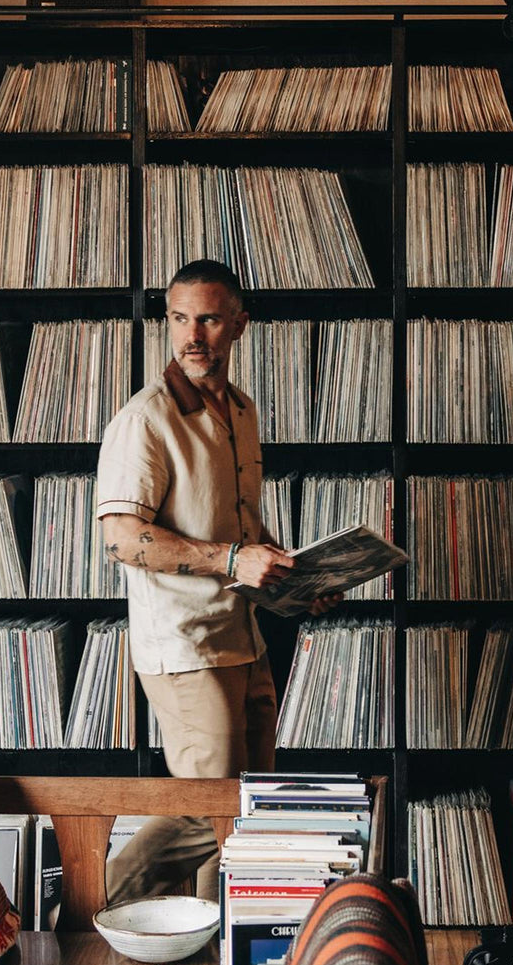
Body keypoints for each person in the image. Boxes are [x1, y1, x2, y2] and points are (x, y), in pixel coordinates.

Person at [97, 259, 335, 903]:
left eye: (206, 318)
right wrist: (233, 561)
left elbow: (240, 536)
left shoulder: (241, 410)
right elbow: (121, 537)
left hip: (243, 632)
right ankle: (93, 907)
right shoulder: (145, 419)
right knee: (209, 807)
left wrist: (293, 579)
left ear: (239, 325)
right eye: (178, 319)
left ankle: (212, 945)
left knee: (246, 809)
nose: (191, 335)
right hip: (184, 645)